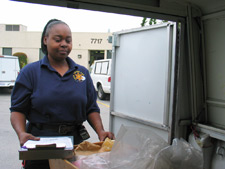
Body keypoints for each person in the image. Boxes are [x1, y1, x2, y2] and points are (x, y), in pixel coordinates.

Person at [10, 19, 115, 169]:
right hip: (40, 142)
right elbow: (18, 110)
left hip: (75, 143)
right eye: (58, 39)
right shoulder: (30, 72)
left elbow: (91, 108)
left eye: (68, 40)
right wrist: (21, 133)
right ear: (45, 40)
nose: (64, 44)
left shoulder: (82, 73)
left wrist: (101, 131)